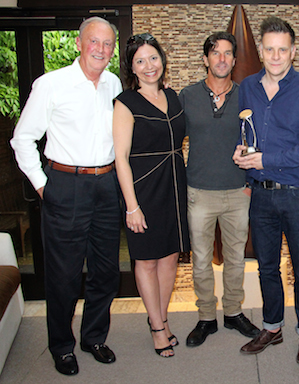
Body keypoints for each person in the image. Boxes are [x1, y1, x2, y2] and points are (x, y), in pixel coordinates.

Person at [10, 17, 122, 375]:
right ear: (78, 43)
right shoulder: (51, 84)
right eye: (94, 41)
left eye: (107, 44)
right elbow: (22, 139)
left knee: (106, 271)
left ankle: (94, 337)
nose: (101, 50)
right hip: (65, 184)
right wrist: (43, 185)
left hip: (106, 186)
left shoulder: (113, 83)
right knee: (64, 275)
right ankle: (61, 345)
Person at [232, 16, 299, 364]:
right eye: (269, 49)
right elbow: (245, 133)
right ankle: (272, 327)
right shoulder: (247, 87)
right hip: (261, 194)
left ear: (293, 52)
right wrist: (241, 154)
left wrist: (266, 158)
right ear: (260, 50)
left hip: (297, 193)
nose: (275, 56)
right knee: (267, 268)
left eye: (282, 50)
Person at [178, 32, 259, 348]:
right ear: (206, 59)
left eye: (228, 53)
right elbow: (169, 138)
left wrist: (250, 184)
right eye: (216, 53)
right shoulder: (187, 96)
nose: (222, 59)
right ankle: (206, 317)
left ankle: (234, 313)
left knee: (236, 259)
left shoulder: (247, 96)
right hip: (199, 192)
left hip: (238, 192)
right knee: (200, 260)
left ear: (234, 60)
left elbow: (258, 144)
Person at [113, 33, 190, 358]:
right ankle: (157, 327)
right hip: (143, 188)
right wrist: (132, 207)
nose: (149, 66)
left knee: (170, 256)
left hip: (173, 185)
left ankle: (161, 317)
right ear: (132, 67)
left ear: (162, 60)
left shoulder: (173, 96)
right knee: (145, 260)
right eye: (140, 61)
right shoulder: (125, 102)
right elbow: (121, 157)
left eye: (153, 58)